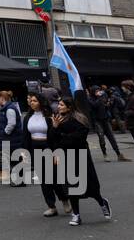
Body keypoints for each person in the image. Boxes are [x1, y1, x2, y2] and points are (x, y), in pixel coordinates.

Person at [48, 98, 111, 226]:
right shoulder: (57, 119)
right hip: (65, 156)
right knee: (71, 187)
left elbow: (79, 138)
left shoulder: (79, 119)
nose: (58, 107)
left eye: (61, 105)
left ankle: (102, 202)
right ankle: (76, 215)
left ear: (69, 107)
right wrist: (55, 128)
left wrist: (61, 137)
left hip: (80, 155)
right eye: (59, 105)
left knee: (89, 186)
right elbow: (52, 139)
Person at [24, 94, 60, 216]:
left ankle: (65, 199)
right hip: (35, 147)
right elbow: (26, 136)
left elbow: (55, 136)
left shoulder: (49, 116)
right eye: (31, 101)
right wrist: (25, 152)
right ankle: (51, 206)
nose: (31, 102)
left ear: (41, 102)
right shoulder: (28, 116)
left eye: (34, 100)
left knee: (55, 177)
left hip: (48, 147)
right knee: (44, 179)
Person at [88, 87, 128, 162]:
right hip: (98, 121)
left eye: (99, 90)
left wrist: (108, 103)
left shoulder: (103, 96)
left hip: (105, 120)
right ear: (93, 92)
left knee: (112, 137)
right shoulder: (90, 99)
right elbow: (94, 105)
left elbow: (107, 106)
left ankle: (119, 154)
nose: (98, 92)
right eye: (96, 91)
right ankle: (105, 154)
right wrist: (99, 97)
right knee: (101, 138)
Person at [0, 90, 25, 184]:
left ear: (2, 98)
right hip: (10, 139)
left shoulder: (9, 109)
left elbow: (11, 124)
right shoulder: (6, 108)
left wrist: (5, 133)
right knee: (13, 159)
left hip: (11, 139)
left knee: (15, 159)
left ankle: (18, 180)